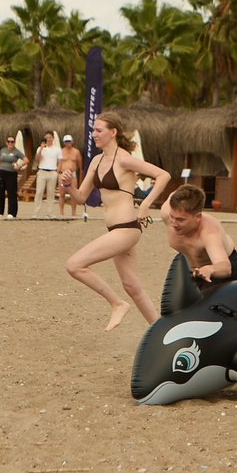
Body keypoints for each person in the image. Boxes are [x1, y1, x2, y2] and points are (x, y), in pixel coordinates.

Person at [60, 112, 172, 330]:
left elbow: (163, 175)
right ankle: (162, 332)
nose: (94, 134)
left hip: (127, 228)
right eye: (93, 130)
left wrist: (147, 204)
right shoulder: (96, 161)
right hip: (115, 229)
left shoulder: (124, 159)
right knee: (132, 286)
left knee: (74, 265)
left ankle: (117, 303)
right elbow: (82, 197)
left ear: (113, 132)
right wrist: (68, 186)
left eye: (99, 130)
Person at [161, 183, 237, 294]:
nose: (173, 223)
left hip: (217, 270)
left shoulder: (209, 233)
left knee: (206, 309)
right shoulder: (166, 213)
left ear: (197, 217)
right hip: (191, 268)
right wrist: (145, 206)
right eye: (172, 217)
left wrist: (210, 269)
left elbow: (225, 268)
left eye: (180, 220)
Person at [0, 136, 24, 219]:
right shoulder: (3, 150)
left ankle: (12, 213)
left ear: (14, 142)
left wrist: (19, 165)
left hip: (11, 173)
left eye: (12, 141)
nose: (10, 143)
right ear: (6, 142)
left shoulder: (16, 151)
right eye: (9, 141)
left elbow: (26, 159)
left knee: (11, 193)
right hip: (1, 172)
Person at [32, 132, 61, 217]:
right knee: (39, 192)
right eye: (47, 138)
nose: (48, 139)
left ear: (53, 138)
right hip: (42, 171)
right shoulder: (40, 148)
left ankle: (49, 212)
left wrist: (57, 172)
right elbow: (37, 159)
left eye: (50, 137)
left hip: (52, 172)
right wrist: (41, 148)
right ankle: (36, 212)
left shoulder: (57, 149)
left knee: (51, 193)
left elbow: (60, 162)